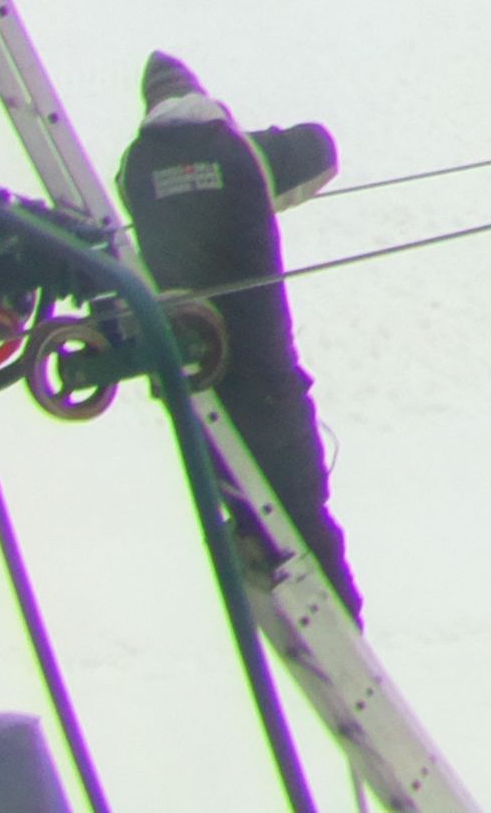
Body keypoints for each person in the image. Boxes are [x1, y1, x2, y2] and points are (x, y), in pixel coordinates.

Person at [115, 52, 360, 617]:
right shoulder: (242, 153)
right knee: (305, 519)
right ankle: (345, 631)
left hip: (198, 391)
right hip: (267, 377)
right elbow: (321, 151)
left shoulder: (134, 169)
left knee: (245, 510)